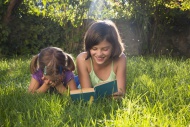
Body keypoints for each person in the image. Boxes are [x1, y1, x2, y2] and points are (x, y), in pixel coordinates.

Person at [76, 20, 126, 97]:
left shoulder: (120, 59)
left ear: (114, 46)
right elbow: (88, 96)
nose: (99, 54)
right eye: (94, 49)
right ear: (89, 46)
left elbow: (121, 92)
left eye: (105, 49)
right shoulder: (82, 59)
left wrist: (118, 95)